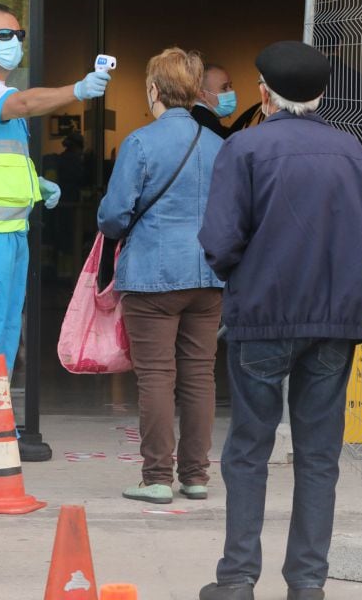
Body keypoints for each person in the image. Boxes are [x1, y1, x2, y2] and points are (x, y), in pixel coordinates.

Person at [198, 41, 362, 600]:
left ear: (262, 94)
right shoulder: (351, 150)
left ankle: (236, 579)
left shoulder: (245, 148)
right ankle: (306, 584)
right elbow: (361, 229)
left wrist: (239, 272)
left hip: (264, 315)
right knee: (319, 453)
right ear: (322, 95)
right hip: (335, 318)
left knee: (248, 449)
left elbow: (220, 240)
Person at [0, 2, 111, 465]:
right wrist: (77, 90)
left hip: (7, 232)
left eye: (18, 33)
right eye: (4, 34)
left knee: (0, 332)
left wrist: (37, 183)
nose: (14, 41)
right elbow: (24, 104)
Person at [98, 47, 225, 504]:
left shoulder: (139, 143)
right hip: (208, 277)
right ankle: (195, 476)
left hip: (152, 275)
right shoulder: (218, 145)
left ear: (153, 89)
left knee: (155, 376)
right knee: (199, 376)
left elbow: (113, 216)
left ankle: (156, 478)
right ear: (194, 94)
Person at [191, 62, 237, 139]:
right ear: (202, 94)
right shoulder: (206, 125)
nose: (231, 92)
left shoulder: (199, 117)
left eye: (230, 86)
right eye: (224, 88)